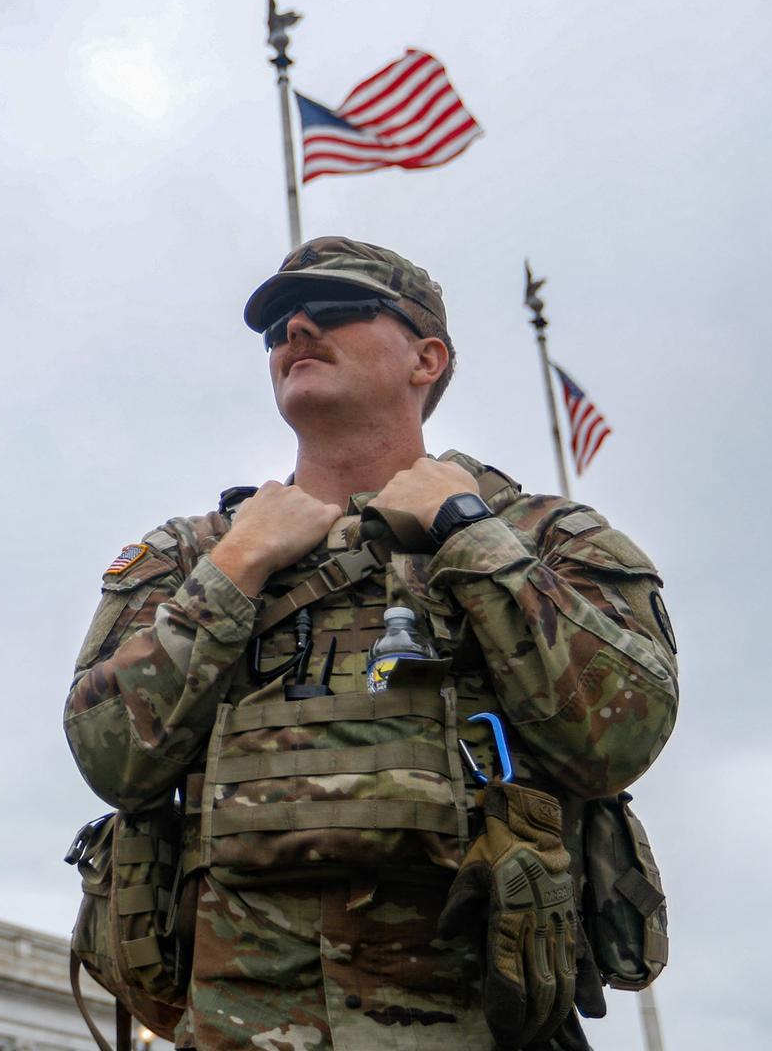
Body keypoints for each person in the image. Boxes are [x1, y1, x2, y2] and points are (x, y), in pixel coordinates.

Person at [64, 237, 676, 1050]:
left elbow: (618, 734)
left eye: (341, 309)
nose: (298, 328)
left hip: (480, 1025)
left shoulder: (542, 535)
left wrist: (469, 534)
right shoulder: (191, 555)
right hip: (238, 1027)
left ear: (427, 357)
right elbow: (111, 758)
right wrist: (239, 565)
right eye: (278, 324)